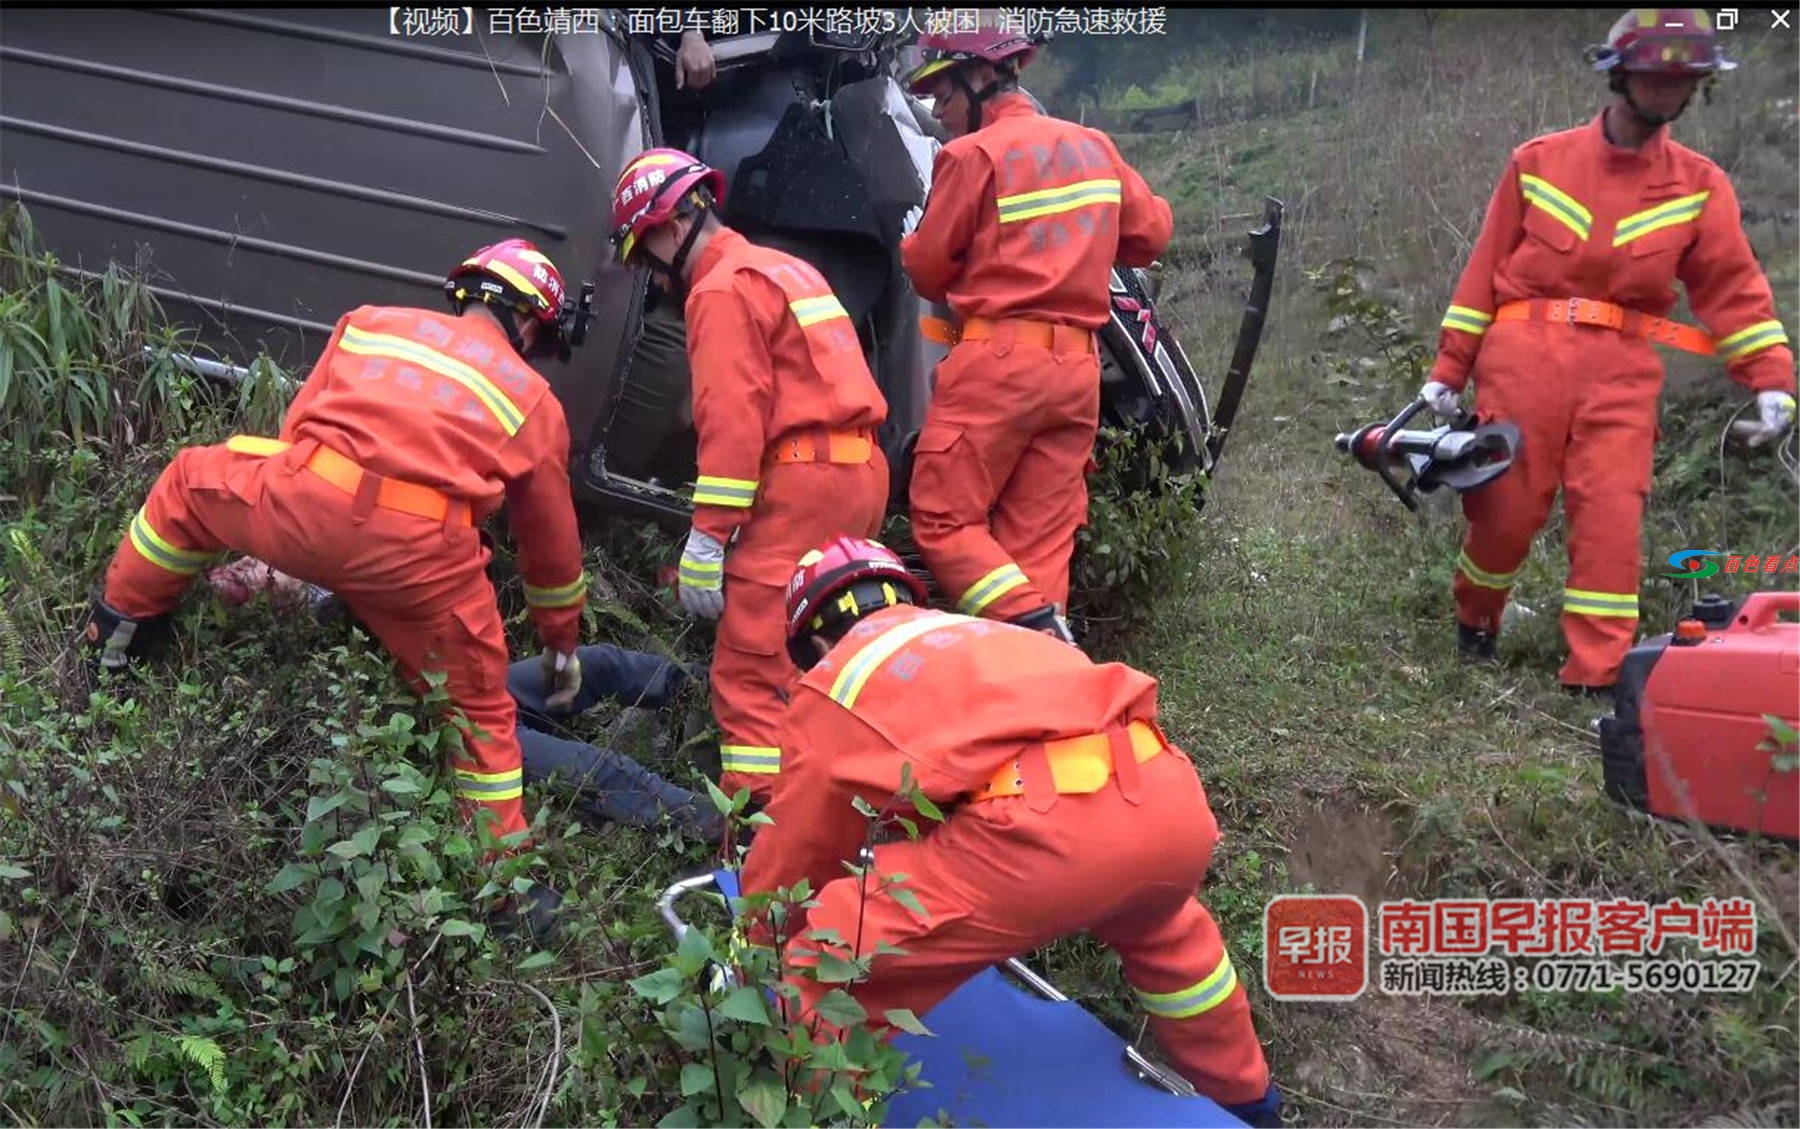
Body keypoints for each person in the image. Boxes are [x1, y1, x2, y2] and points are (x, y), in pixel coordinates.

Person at [84, 238, 593, 928]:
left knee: (186, 484)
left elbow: (298, 435)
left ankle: (115, 644)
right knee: (480, 717)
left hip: (308, 498)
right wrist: (561, 645)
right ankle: (503, 894)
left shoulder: (369, 323)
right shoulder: (533, 400)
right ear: (534, 324)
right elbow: (551, 551)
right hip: (421, 558)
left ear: (468, 292)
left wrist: (297, 549)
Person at [734, 535, 1282, 1128]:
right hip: (1167, 799)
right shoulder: (978, 634)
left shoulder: (835, 679)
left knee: (830, 958)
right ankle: (1249, 1103)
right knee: (1173, 942)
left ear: (814, 640)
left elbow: (801, 847)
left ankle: (823, 1116)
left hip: (1046, 837)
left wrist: (755, 948)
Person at [1419, 8, 1796, 691]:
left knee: (1612, 524)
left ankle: (1597, 676)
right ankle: (1476, 620)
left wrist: (1771, 379)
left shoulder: (1699, 185)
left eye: (1680, 78)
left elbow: (1735, 291)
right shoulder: (1537, 163)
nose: (1665, 89)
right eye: (1653, 73)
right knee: (1502, 513)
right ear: (1620, 75)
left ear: (1697, 87)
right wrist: (1450, 369)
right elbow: (1481, 276)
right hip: (1522, 358)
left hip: (1622, 372)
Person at [608, 147, 891, 807]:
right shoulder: (785, 267)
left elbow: (734, 425)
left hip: (802, 487)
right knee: (825, 653)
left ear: (672, 226)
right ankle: (846, 815)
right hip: (860, 475)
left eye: (642, 252)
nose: (648, 276)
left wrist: (708, 538)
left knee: (752, 677)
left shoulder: (718, 288)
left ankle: (765, 871)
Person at [898, 21, 1173, 644]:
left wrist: (911, 239)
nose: (939, 112)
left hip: (997, 364)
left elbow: (927, 270)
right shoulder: (1093, 146)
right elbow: (1151, 235)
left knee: (943, 520)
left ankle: (1036, 628)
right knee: (1039, 545)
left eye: (943, 93)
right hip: (1076, 376)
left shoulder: (971, 157)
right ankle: (1042, 679)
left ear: (978, 76)